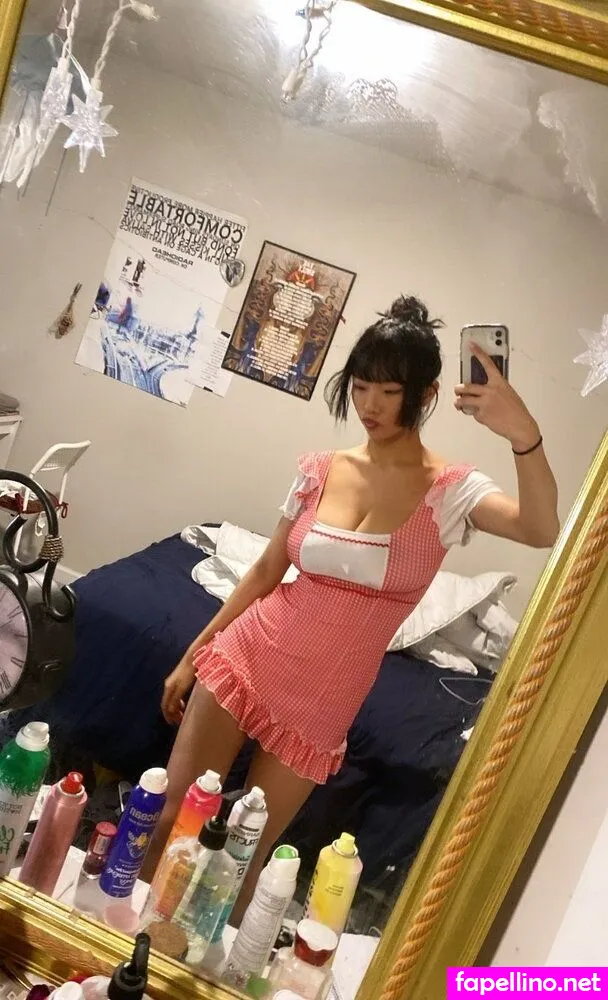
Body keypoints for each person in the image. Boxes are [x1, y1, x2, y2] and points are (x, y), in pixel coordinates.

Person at [140, 295, 559, 922]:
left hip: (324, 695)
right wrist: (192, 656)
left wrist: (523, 434)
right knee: (177, 819)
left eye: (388, 391)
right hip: (250, 652)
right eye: (360, 386)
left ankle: (190, 960)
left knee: (245, 857)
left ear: (426, 395)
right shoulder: (320, 469)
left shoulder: (451, 490)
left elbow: (540, 529)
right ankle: (126, 943)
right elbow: (266, 570)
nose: (370, 405)